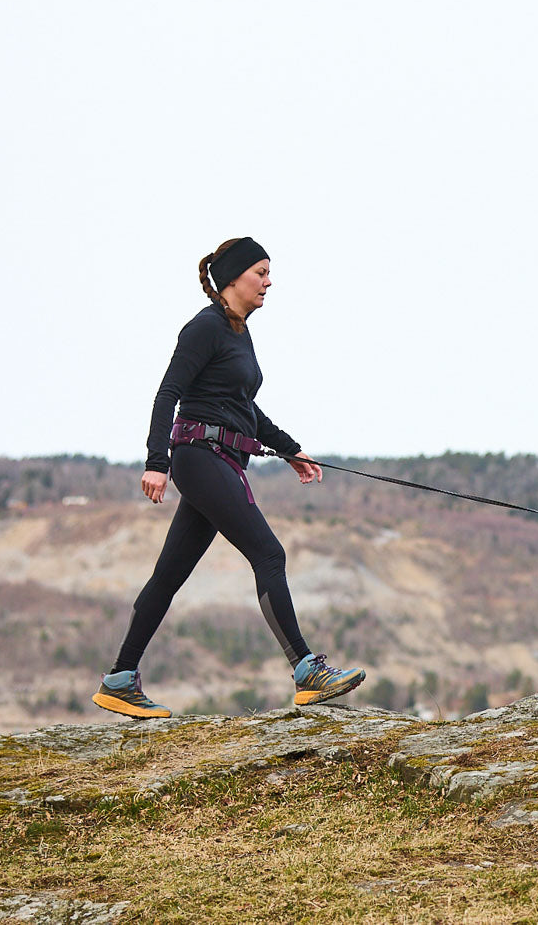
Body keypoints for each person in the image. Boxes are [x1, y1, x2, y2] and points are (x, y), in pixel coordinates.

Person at [92, 237, 365, 719]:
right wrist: (157, 462)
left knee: (169, 575)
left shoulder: (238, 332)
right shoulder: (204, 328)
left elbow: (244, 408)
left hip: (221, 459)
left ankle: (119, 679)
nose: (269, 281)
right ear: (234, 278)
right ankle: (306, 669)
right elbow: (167, 394)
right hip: (199, 457)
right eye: (261, 272)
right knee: (269, 552)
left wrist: (289, 449)